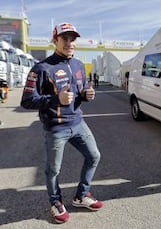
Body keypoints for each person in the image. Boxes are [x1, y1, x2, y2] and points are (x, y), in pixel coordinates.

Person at [20, 22, 103, 224]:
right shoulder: (41, 68)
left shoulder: (79, 65)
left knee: (94, 156)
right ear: (54, 40)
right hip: (56, 128)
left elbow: (77, 95)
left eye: (72, 39)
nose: (69, 43)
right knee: (54, 170)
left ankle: (81, 195)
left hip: (78, 123)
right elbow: (26, 101)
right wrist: (56, 99)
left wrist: (85, 95)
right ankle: (56, 202)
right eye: (64, 39)